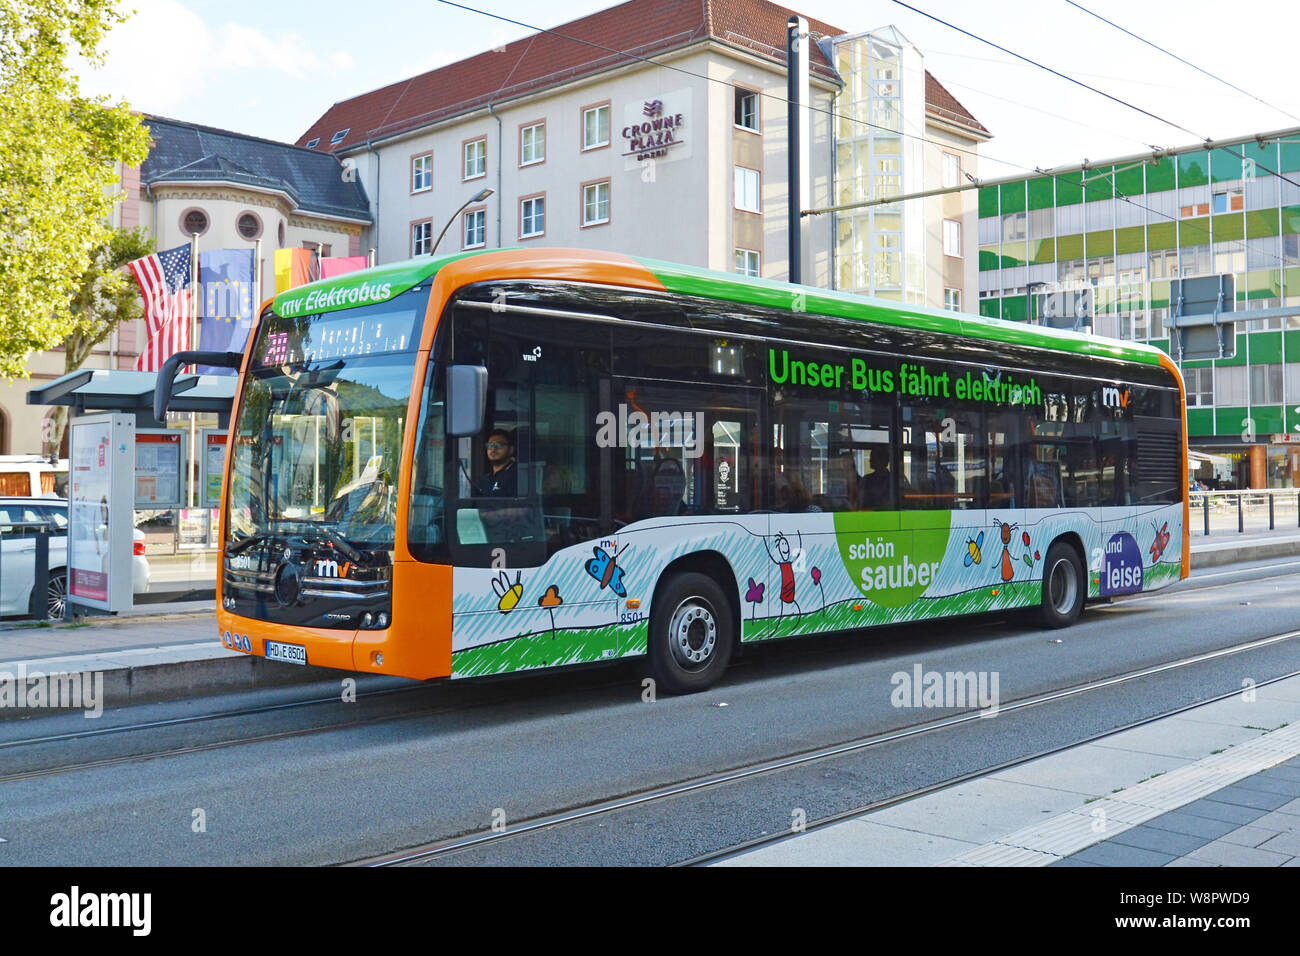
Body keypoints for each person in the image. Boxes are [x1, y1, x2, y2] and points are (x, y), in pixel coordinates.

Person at [481, 428, 517, 497]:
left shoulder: (517, 475)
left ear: (511, 449)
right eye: (490, 445)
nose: (493, 449)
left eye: (499, 445)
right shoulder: (486, 478)